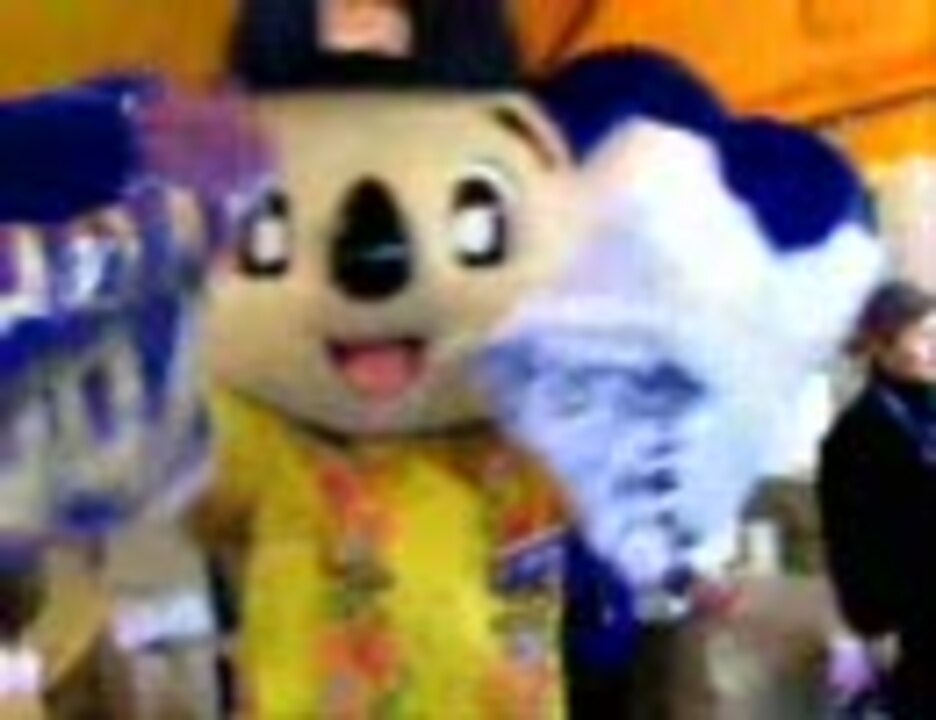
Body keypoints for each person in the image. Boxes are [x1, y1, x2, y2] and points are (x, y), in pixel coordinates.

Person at [818, 280, 936, 718]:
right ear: (882, 346)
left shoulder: (926, 411)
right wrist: (875, 628)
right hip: (913, 630)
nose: (935, 348)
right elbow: (850, 546)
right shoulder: (857, 434)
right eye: (923, 336)